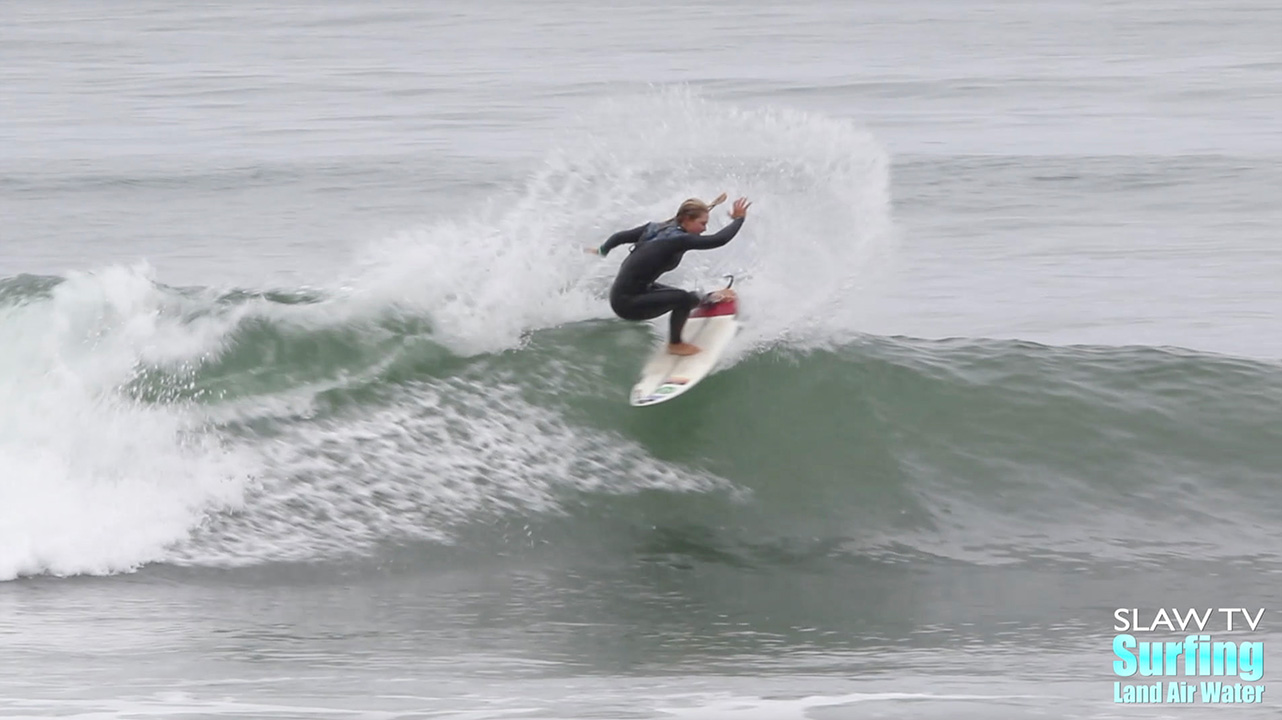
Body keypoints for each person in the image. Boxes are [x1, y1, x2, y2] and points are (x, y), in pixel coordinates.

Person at [588, 194, 751, 356]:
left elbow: (619, 237)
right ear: (686, 219)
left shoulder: (655, 228)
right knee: (683, 298)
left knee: (688, 298)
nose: (704, 229)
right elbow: (719, 240)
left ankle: (708, 298)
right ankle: (675, 344)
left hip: (633, 292)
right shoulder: (678, 240)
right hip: (627, 304)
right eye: (702, 223)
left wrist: (603, 250)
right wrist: (739, 220)